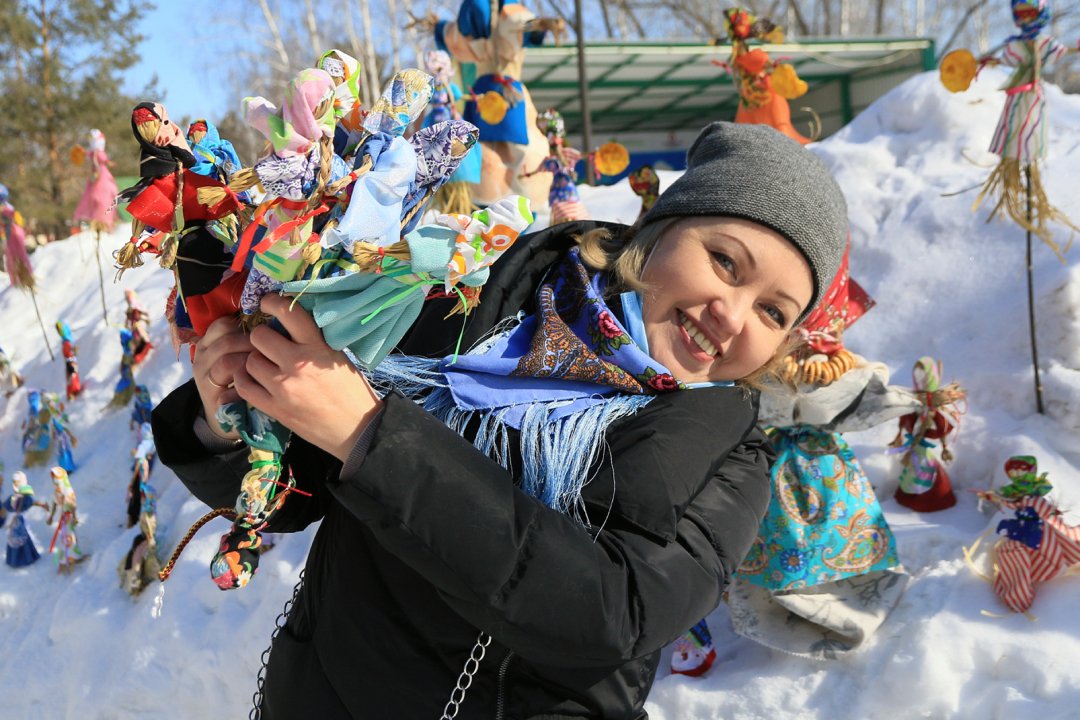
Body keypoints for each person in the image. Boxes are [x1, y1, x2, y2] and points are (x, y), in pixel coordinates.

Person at [153, 121, 849, 719]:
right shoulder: (475, 292)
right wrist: (238, 416)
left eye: (773, 313)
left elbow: (610, 610)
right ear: (660, 230)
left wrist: (373, 437)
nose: (733, 315)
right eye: (726, 262)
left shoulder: (732, 459)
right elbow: (302, 481)